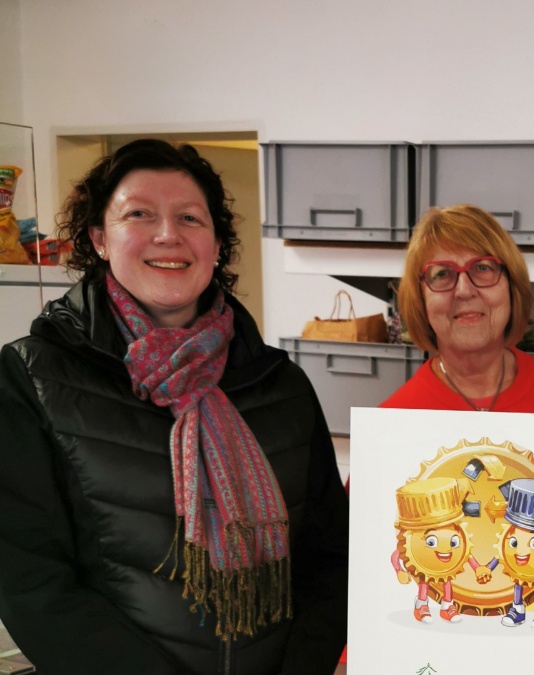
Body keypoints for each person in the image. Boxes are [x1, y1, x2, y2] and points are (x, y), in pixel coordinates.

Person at [0, 139, 349, 674]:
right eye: (139, 214)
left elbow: (329, 562)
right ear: (99, 238)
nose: (168, 234)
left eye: (190, 217)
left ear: (216, 244)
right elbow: (30, 580)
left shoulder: (282, 384)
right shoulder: (33, 377)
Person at [379, 204, 534, 413]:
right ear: (420, 299)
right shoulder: (394, 420)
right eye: (442, 274)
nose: (464, 291)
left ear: (512, 285)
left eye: (482, 267)